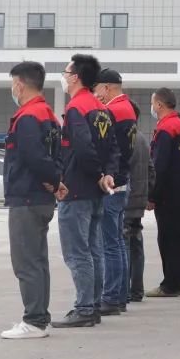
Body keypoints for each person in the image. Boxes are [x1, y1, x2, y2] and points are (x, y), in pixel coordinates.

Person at [53, 54, 119, 328]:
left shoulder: (76, 108)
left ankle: (84, 308)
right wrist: (107, 174)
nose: (64, 76)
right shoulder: (102, 108)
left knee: (77, 253)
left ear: (76, 77)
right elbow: (113, 148)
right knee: (94, 250)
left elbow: (82, 148)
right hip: (95, 191)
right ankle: (92, 306)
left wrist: (99, 174)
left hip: (77, 189)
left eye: (66, 72)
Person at [1, 62, 63, 340]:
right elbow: (57, 155)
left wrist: (53, 179)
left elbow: (33, 157)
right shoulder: (48, 115)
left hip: (27, 197)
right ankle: (41, 317)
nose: (13, 88)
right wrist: (56, 180)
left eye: (13, 83)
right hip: (41, 197)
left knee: (26, 261)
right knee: (38, 261)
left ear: (20, 84)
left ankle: (34, 320)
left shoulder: (27, 116)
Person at [95, 68, 136, 314]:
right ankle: (119, 296)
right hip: (123, 181)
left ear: (106, 87)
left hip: (112, 183)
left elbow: (107, 147)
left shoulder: (112, 111)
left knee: (110, 244)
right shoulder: (127, 107)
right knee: (118, 242)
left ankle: (111, 297)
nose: (96, 93)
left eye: (97, 88)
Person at [146, 87, 180, 298]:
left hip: (167, 194)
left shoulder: (165, 128)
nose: (152, 107)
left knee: (167, 239)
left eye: (152, 103)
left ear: (159, 104)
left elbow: (159, 166)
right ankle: (176, 281)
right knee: (177, 238)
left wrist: (152, 196)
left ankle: (170, 285)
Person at [124, 106, 153, 304]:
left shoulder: (126, 138)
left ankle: (124, 290)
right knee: (136, 242)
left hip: (126, 199)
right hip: (139, 198)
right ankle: (136, 289)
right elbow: (151, 169)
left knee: (123, 244)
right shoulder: (142, 138)